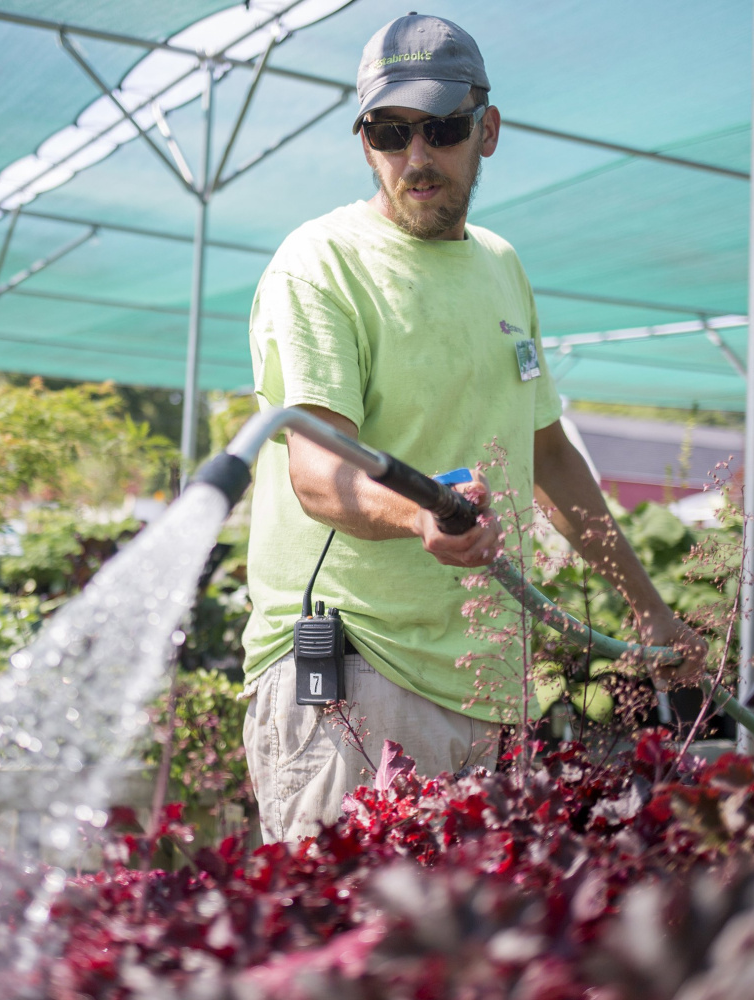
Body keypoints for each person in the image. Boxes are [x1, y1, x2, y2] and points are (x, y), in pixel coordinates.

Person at [240, 12, 707, 844]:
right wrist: (417, 515)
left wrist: (649, 613)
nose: (415, 158)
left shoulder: (499, 264)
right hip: (354, 672)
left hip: (486, 681)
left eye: (442, 129)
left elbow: (549, 458)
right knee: (346, 953)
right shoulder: (321, 263)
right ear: (364, 142)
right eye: (389, 132)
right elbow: (317, 473)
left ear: (485, 130)